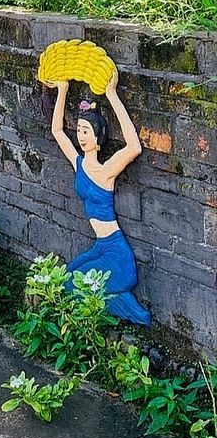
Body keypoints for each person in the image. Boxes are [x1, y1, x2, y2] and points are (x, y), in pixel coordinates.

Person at [47, 72, 151, 325]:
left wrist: (112, 94)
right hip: (100, 246)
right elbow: (58, 131)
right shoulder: (79, 164)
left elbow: (134, 147)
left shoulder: (107, 172)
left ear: (98, 137)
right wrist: (62, 90)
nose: (81, 136)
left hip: (116, 251)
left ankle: (117, 317)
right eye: (80, 130)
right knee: (66, 276)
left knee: (73, 284)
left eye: (86, 131)